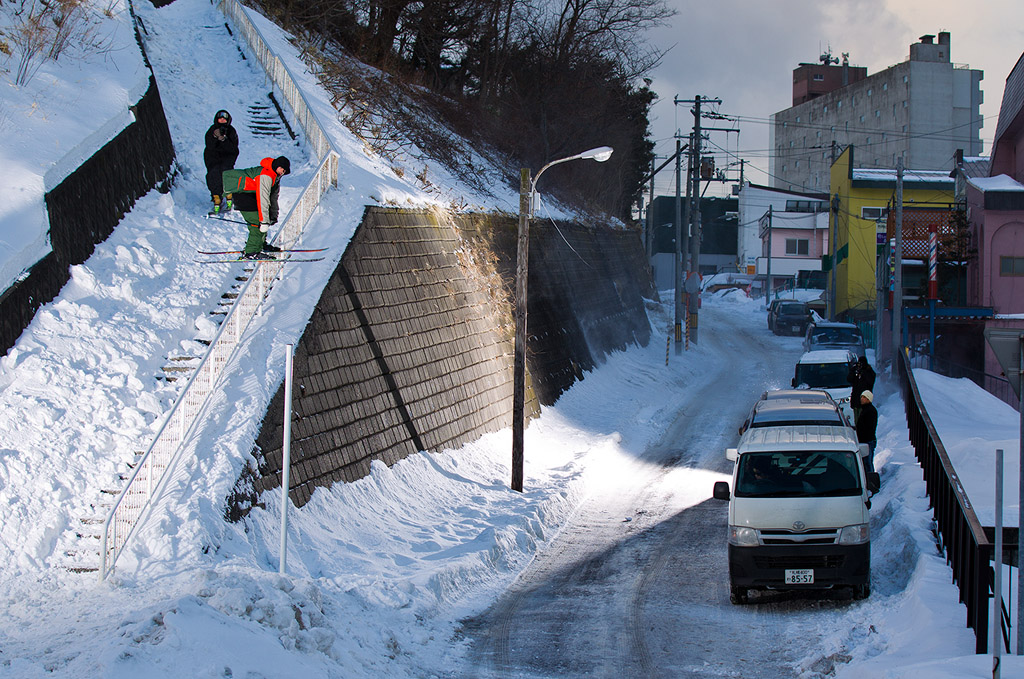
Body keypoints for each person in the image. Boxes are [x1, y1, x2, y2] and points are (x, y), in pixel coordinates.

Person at [222, 156, 290, 259]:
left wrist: (272, 215)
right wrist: (264, 221)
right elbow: (263, 198)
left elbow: (273, 197)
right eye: (282, 169)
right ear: (278, 166)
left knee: (262, 221)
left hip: (251, 195)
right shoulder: (266, 175)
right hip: (243, 195)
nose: (283, 172)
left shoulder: (275, 176)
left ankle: (260, 244)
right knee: (257, 223)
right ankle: (251, 251)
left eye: (285, 171)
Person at [203, 110, 240, 213]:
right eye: (220, 119)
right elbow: (209, 146)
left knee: (226, 174)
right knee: (213, 175)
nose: (222, 121)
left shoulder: (231, 131)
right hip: (213, 159)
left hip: (227, 159)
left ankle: (229, 195)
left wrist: (224, 140)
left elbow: (233, 149)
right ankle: (216, 197)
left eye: (224, 119)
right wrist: (215, 137)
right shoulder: (212, 130)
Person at [847, 355, 876, 422]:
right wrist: (854, 371)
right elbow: (849, 379)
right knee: (857, 420)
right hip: (856, 399)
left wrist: (863, 372)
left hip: (865, 400)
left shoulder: (869, 371)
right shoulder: (856, 370)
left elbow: (870, 381)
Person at [855, 389, 878, 473]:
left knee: (868, 462)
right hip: (865, 440)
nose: (862, 398)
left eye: (864, 397)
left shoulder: (870, 411)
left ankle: (870, 478)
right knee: (865, 462)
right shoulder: (865, 410)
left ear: (868, 399)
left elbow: (869, 427)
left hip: (868, 440)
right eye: (861, 396)